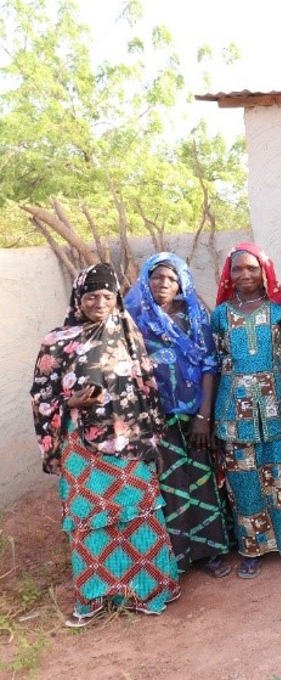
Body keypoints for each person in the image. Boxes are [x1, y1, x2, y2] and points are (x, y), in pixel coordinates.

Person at [31, 263, 180, 627]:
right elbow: (41, 395)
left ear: (116, 299)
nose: (99, 302)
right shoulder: (57, 341)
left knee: (138, 514)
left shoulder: (128, 336)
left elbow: (146, 389)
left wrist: (148, 438)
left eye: (107, 296)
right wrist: (70, 403)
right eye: (91, 296)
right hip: (81, 447)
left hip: (128, 444)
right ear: (78, 299)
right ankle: (96, 596)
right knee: (89, 520)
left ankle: (149, 590)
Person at [124, 253, 231, 577]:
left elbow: (209, 366)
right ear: (146, 279)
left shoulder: (194, 316)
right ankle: (180, 556)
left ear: (181, 282)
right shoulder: (134, 319)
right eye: (157, 276)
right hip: (156, 418)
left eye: (171, 278)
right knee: (169, 483)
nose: (163, 283)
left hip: (195, 414)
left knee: (202, 478)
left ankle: (211, 552)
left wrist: (204, 416)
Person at [211, 243, 281, 578]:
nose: (245, 274)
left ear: (265, 271)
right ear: (229, 274)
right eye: (238, 269)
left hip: (278, 406)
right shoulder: (220, 315)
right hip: (233, 411)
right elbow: (215, 363)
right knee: (244, 480)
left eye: (252, 268)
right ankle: (252, 548)